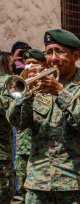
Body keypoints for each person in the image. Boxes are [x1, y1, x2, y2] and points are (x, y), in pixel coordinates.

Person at [6, 29, 80, 203]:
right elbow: (16, 121)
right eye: (49, 52)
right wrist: (26, 95)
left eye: (60, 51)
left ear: (75, 54)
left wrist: (60, 92)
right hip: (38, 183)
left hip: (75, 183)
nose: (53, 58)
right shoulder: (39, 85)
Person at [15, 49, 47, 201]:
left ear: (43, 65)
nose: (31, 66)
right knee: (22, 186)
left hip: (42, 149)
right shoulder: (19, 83)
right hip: (23, 145)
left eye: (35, 63)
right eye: (28, 63)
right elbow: (13, 116)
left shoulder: (48, 85)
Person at [0, 51, 15, 203]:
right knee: (5, 189)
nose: (14, 66)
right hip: (3, 146)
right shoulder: (9, 81)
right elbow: (11, 110)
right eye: (11, 64)